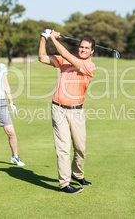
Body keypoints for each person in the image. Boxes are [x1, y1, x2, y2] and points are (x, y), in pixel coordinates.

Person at [38, 29, 96, 194]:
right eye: (81, 47)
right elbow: (41, 57)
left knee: (80, 147)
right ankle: (64, 184)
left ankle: (77, 174)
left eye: (86, 48)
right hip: (58, 109)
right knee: (63, 148)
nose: (82, 50)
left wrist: (53, 39)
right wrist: (44, 38)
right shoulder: (65, 60)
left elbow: (65, 53)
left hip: (76, 111)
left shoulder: (89, 65)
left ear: (92, 51)